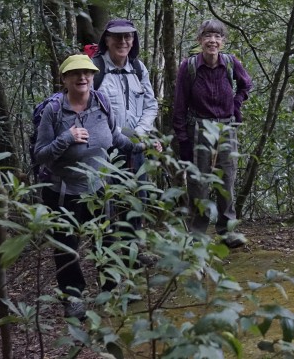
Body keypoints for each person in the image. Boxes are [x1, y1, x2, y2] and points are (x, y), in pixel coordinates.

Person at [33, 54, 148, 321]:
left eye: (87, 72)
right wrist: (66, 138)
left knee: (105, 241)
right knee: (66, 246)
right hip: (63, 192)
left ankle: (111, 289)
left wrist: (141, 146)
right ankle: (73, 297)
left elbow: (116, 137)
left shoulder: (101, 102)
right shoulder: (54, 111)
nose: (82, 77)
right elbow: (40, 154)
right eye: (75, 73)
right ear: (64, 79)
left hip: (99, 188)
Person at [172, 19, 253, 248]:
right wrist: (183, 140)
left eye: (217, 36)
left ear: (223, 41)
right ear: (200, 40)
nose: (212, 41)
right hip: (199, 128)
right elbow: (179, 104)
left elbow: (246, 84)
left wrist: (236, 103)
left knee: (226, 179)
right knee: (198, 182)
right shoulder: (189, 66)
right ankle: (197, 234)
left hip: (226, 127)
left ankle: (227, 232)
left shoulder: (230, 62)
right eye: (208, 36)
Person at [93, 18, 162, 235]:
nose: (123, 41)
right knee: (106, 202)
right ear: (107, 39)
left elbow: (150, 105)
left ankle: (133, 248)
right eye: (117, 36)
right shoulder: (96, 68)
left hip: (135, 147)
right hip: (104, 149)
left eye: (128, 36)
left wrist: (139, 134)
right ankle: (106, 250)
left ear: (133, 40)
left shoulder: (138, 69)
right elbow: (87, 109)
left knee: (136, 199)